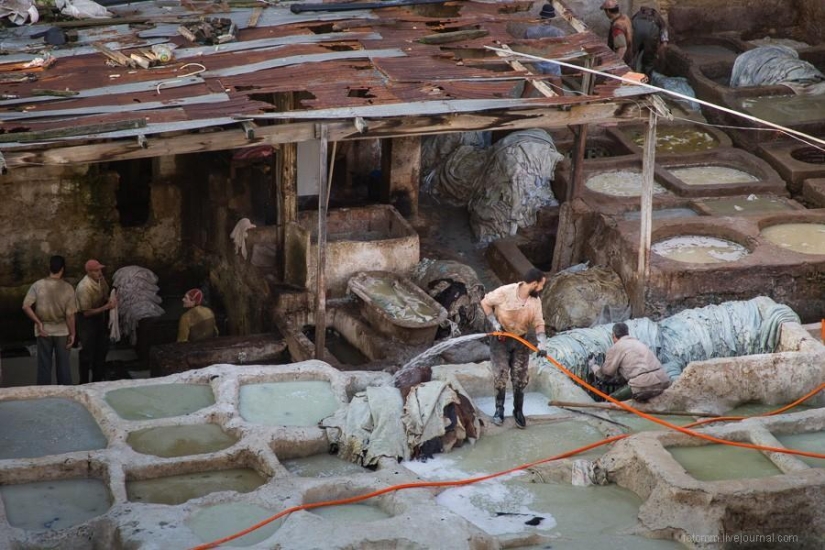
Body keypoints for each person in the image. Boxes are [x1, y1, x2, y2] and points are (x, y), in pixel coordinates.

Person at [481, 268, 549, 429]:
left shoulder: (535, 301)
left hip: (521, 341)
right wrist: (495, 324)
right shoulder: (505, 292)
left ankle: (518, 411)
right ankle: (499, 411)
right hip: (501, 340)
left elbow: (539, 323)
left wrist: (542, 343)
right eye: (541, 285)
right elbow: (485, 302)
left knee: (520, 377)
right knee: (501, 374)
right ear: (533, 284)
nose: (541, 289)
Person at [22, 255, 77, 385]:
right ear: (62, 269)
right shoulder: (68, 288)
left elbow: (25, 306)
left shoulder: (38, 285)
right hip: (62, 331)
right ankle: (64, 397)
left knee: (44, 367)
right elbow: (70, 315)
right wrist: (73, 334)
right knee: (64, 367)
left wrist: (38, 322)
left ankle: (44, 397)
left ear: (49, 268)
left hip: (43, 331)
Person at [590, 322, 671, 402]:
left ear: (613, 335)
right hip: (663, 380)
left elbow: (605, 374)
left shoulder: (617, 347)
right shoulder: (639, 343)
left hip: (644, 384)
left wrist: (594, 367)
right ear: (627, 333)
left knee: (611, 400)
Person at [76, 259, 116, 384]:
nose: (99, 272)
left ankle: (97, 380)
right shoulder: (83, 287)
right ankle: (84, 382)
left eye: (100, 270)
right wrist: (105, 308)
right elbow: (86, 312)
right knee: (87, 352)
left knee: (101, 349)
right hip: (86, 321)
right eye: (96, 270)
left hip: (99, 318)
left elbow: (105, 296)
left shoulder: (101, 280)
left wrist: (112, 298)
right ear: (88, 272)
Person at [631, 5, 669, 75]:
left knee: (633, 57)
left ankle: (631, 75)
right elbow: (664, 29)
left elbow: (630, 26)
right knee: (648, 61)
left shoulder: (637, 15)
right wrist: (664, 41)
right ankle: (648, 77)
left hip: (636, 36)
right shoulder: (657, 16)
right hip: (651, 37)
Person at [601, 0, 634, 66]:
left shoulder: (617, 26)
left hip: (624, 61)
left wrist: (615, 64)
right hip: (630, 56)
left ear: (607, 11)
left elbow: (622, 47)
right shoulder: (625, 17)